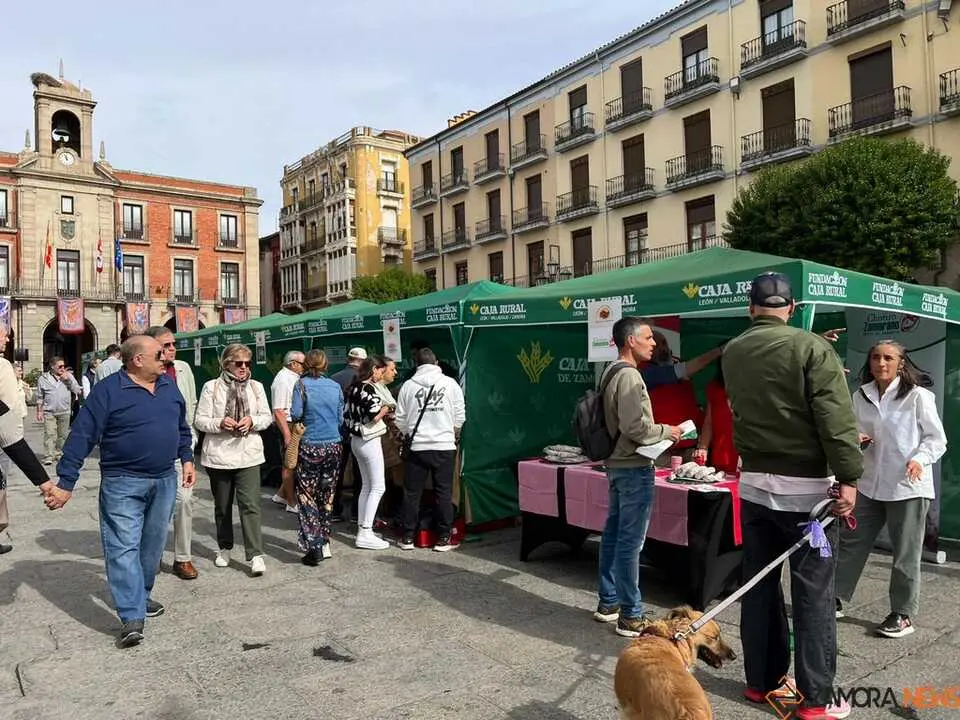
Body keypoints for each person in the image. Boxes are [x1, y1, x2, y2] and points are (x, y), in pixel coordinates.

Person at [722, 272, 862, 720]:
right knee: (813, 594)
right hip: (808, 494)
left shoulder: (733, 350)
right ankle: (816, 699)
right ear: (793, 307)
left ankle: (760, 682)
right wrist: (850, 476)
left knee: (759, 586)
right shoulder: (812, 348)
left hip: (755, 484)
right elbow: (835, 420)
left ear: (750, 308)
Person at [50, 335, 196, 648]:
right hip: (122, 482)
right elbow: (82, 435)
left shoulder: (169, 387)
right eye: (158, 352)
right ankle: (131, 615)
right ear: (137, 360)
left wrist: (186, 458)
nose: (165, 356)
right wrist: (65, 482)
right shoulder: (108, 390)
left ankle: (141, 595)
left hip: (164, 479)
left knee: (152, 546)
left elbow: (181, 427)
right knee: (123, 546)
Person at [836, 341, 947, 638]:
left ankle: (903, 613)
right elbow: (850, 429)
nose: (881, 363)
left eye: (888, 358)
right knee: (851, 542)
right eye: (875, 357)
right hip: (870, 482)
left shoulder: (918, 396)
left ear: (901, 362)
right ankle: (834, 597)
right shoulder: (861, 395)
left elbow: (937, 440)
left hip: (907, 486)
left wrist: (919, 459)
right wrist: (856, 437)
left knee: (905, 554)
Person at [592, 317, 682, 638]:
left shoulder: (610, 372)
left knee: (614, 535)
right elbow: (636, 428)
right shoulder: (630, 376)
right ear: (630, 340)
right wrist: (668, 431)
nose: (654, 342)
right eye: (648, 337)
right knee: (630, 542)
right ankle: (631, 614)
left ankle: (609, 602)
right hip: (632, 466)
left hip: (617, 464)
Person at [193, 343, 273, 577]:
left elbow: (266, 417)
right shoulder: (211, 387)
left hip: (248, 454)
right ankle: (225, 547)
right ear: (226, 363)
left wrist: (252, 421)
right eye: (239, 363)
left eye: (248, 363)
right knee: (222, 506)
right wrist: (219, 423)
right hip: (219, 455)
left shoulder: (256, 387)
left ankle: (256, 554)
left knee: (250, 505)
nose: (244, 368)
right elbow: (200, 420)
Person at [395, 347, 465, 553]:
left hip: (418, 446)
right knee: (443, 493)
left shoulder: (408, 386)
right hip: (444, 445)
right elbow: (460, 414)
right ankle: (443, 538)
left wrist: (411, 431)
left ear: (416, 365)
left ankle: (408, 537)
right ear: (436, 363)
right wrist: (452, 433)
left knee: (412, 493)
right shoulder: (450, 384)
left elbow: (400, 419)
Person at [144, 325, 199, 581]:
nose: (172, 349)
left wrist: (191, 444)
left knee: (184, 501)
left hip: (181, 448)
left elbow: (191, 405)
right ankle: (151, 555)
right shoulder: (143, 372)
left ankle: (182, 557)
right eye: (166, 345)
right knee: (153, 505)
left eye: (173, 344)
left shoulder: (183, 369)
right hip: (151, 451)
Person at [0, 324, 57, 555]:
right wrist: (44, 482)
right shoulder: (2, 366)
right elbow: (8, 435)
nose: (6, 339)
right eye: (3, 334)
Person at [290, 349, 344, 565]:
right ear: (325, 365)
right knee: (327, 494)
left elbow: (295, 413)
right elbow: (341, 418)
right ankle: (325, 540)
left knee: (306, 495)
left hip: (311, 444)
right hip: (333, 444)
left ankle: (314, 544)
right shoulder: (335, 386)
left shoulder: (301, 385)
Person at [642, 332, 719, 463]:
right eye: (656, 344)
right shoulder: (647, 373)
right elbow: (687, 368)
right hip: (663, 451)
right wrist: (719, 351)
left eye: (664, 343)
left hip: (690, 448)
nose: (662, 348)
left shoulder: (676, 369)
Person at [344, 356, 392, 550]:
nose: (382, 374)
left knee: (366, 486)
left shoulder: (354, 387)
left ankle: (364, 528)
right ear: (374, 370)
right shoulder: (368, 388)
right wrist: (387, 408)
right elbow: (373, 414)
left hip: (356, 439)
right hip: (369, 439)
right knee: (378, 487)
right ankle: (365, 531)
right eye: (381, 370)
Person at [331, 347, 367, 522]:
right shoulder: (364, 380)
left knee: (337, 472)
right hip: (358, 431)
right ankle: (356, 512)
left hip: (339, 431)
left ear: (348, 359)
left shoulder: (334, 378)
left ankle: (335, 510)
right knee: (360, 472)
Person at [269, 351, 304, 514]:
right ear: (293, 364)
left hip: (292, 423)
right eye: (302, 364)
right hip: (287, 424)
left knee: (293, 463)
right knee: (289, 464)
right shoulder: (283, 380)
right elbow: (278, 410)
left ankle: (281, 495)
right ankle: (291, 501)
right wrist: (287, 435)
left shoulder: (291, 377)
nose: (305, 367)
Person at [692, 354, 738, 474]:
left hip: (742, 454)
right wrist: (703, 448)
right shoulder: (714, 388)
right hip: (721, 452)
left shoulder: (750, 387)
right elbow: (709, 421)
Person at [36, 356, 82, 465]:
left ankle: (59, 453)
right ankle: (49, 455)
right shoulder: (43, 378)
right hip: (49, 411)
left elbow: (77, 391)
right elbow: (39, 396)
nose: (62, 368)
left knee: (63, 435)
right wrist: (39, 411)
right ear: (52, 367)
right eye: (60, 366)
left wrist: (68, 381)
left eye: (63, 366)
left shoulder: (68, 376)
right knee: (50, 433)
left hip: (64, 410)